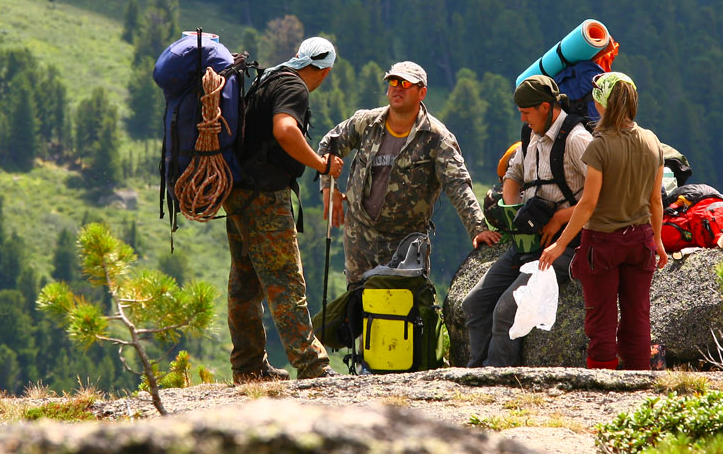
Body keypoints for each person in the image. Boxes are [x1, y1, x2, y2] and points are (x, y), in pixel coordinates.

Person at [224, 36, 345, 384]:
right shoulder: (295, 88)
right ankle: (312, 366)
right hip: (265, 197)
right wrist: (321, 164)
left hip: (238, 194)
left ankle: (248, 366)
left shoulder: (270, 79)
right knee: (286, 280)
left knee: (245, 282)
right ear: (324, 71)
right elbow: (285, 129)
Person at [317, 61, 500, 283]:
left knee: (402, 311)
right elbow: (330, 145)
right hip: (359, 239)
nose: (397, 87)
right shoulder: (367, 123)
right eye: (393, 81)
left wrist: (477, 228)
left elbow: (458, 185)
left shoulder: (437, 138)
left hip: (406, 245)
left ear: (421, 92)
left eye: (406, 83)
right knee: (356, 308)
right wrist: (329, 187)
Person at [539, 73, 669, 370]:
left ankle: (603, 388)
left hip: (603, 244)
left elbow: (588, 203)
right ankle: (639, 387)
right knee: (638, 317)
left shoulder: (599, 146)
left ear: (601, 104)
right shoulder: (652, 142)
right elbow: (655, 201)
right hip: (641, 241)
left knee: (601, 320)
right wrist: (658, 241)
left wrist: (560, 245)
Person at [461, 74, 591, 367]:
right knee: (475, 304)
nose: (523, 118)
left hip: (564, 244)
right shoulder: (530, 135)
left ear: (546, 107)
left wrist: (559, 218)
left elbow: (602, 197)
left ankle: (497, 377)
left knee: (507, 308)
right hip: (528, 241)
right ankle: (475, 372)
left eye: (527, 112)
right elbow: (513, 175)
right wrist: (513, 210)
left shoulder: (577, 139)